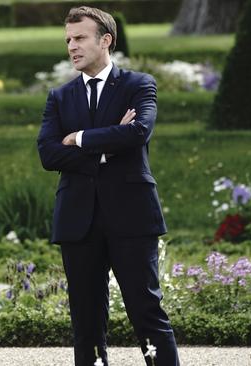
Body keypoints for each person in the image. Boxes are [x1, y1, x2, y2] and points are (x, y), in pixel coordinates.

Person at [36, 6, 180, 366]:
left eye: (80, 37)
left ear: (106, 40)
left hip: (131, 217)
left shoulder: (139, 85)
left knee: (147, 314)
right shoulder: (60, 96)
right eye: (68, 39)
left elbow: (137, 132)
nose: (72, 46)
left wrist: (80, 138)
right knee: (86, 323)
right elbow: (48, 154)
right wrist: (104, 150)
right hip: (77, 221)